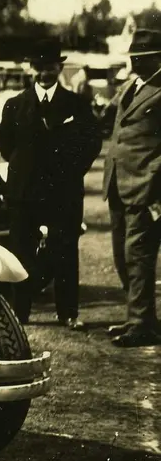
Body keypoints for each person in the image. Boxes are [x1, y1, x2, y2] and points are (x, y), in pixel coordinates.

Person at [0, 38, 102, 330]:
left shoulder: (76, 105)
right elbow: (5, 146)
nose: (45, 74)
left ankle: (68, 312)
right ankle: (20, 313)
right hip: (24, 193)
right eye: (39, 68)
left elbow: (92, 142)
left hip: (63, 193)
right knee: (21, 251)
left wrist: (72, 171)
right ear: (32, 69)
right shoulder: (15, 105)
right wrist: (22, 173)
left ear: (60, 67)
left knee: (65, 251)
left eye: (50, 68)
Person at [103, 29, 161, 347]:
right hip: (117, 183)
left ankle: (141, 323)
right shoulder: (131, 86)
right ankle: (138, 317)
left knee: (137, 255)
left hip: (144, 186)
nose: (136, 60)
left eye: (143, 56)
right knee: (121, 254)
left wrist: (154, 178)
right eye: (133, 55)